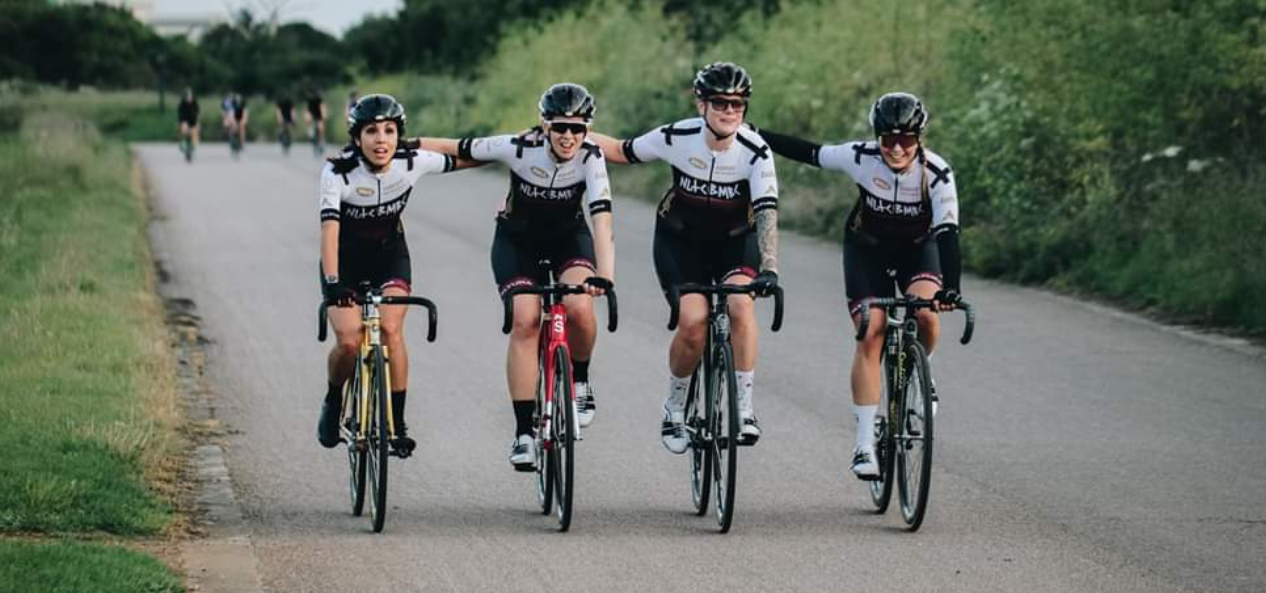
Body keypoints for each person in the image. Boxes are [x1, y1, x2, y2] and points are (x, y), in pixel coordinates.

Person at [757, 92, 963, 479]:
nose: (897, 148)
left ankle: (923, 375)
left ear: (920, 137)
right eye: (888, 139)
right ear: (876, 137)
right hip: (867, 252)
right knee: (871, 333)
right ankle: (865, 445)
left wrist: (950, 288)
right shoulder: (860, 157)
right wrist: (754, 133)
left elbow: (949, 233)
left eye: (906, 139)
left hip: (919, 253)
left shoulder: (936, 172)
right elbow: (810, 153)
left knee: (927, 316)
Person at [414, 83, 615, 471]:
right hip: (516, 243)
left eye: (577, 128)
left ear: (587, 128)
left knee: (580, 307)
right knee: (525, 321)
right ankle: (524, 432)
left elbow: (603, 218)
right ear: (544, 125)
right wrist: (410, 143)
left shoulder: (591, 157)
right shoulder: (518, 147)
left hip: (568, 242)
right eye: (560, 128)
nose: (569, 136)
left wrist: (604, 276)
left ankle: (581, 381)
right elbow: (461, 146)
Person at [590, 62, 780, 452]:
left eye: (738, 104)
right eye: (720, 103)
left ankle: (743, 408)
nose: (729, 111)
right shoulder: (676, 136)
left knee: (741, 308)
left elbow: (766, 209)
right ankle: (674, 407)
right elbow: (621, 151)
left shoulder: (755, 150)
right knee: (693, 324)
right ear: (701, 105)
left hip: (734, 242)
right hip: (681, 243)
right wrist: (571, 131)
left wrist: (770, 267)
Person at [317, 94, 483, 455]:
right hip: (343, 262)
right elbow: (329, 230)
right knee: (348, 340)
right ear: (356, 137)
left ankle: (397, 423)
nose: (381, 140)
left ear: (400, 136)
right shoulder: (338, 171)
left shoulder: (412, 161)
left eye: (389, 131)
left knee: (390, 329)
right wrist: (332, 284)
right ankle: (334, 398)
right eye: (372, 131)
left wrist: (516, 153)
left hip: (390, 257)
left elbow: (467, 156)